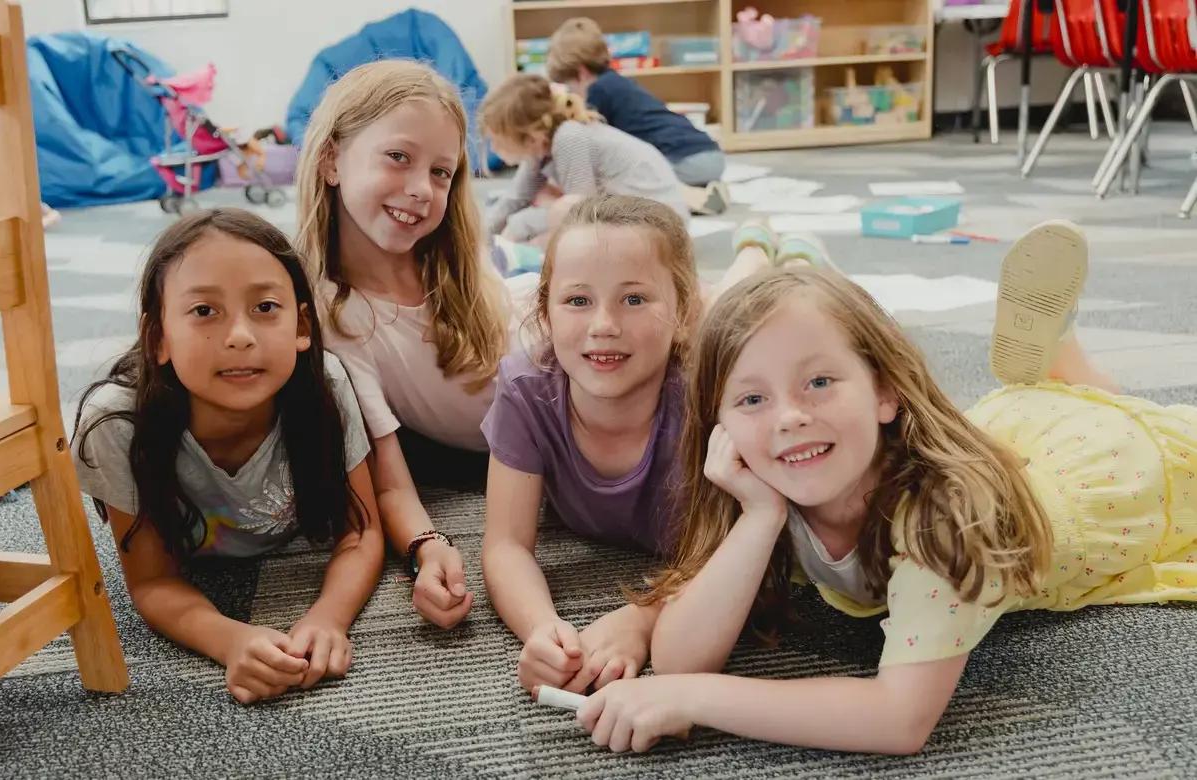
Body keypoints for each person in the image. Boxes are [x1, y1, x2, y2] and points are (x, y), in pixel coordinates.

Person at [572, 220, 1197, 754]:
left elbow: (900, 718)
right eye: (753, 398)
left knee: (1114, 418)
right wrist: (756, 521)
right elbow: (681, 653)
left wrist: (692, 699)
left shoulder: (946, 517)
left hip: (1115, 477)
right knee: (1029, 414)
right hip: (1014, 436)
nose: (788, 416)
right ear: (721, 429)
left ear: (885, 391)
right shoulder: (770, 480)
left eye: (818, 382)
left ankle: (1067, 368)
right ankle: (1056, 364)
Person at [72, 208, 382, 705]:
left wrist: (328, 618)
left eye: (265, 307)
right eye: (204, 312)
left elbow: (360, 532)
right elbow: (151, 582)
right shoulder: (116, 425)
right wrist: (230, 638)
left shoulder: (325, 383)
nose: (240, 334)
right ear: (158, 339)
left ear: (301, 325)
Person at [296, 59, 530, 631]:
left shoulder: (449, 258)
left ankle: (758, 251)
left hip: (564, 333)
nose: (422, 189)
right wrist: (427, 546)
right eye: (398, 157)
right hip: (558, 404)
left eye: (442, 172)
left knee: (704, 310)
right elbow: (388, 474)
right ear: (331, 160)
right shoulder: (336, 315)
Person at [481, 193, 700, 696]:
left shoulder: (710, 399)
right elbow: (507, 543)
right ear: (546, 312)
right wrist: (542, 629)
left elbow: (748, 555)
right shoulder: (524, 386)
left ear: (683, 311)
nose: (604, 326)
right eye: (578, 300)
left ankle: (766, 253)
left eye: (635, 298)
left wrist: (644, 620)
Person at [479, 73, 690, 250]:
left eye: (498, 141)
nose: (494, 149)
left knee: (537, 235)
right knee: (528, 225)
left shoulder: (569, 137)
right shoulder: (540, 148)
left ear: (530, 136)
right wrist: (476, 240)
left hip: (659, 225)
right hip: (628, 214)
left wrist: (518, 226)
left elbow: (579, 216)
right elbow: (515, 198)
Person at [546, 17, 729, 216]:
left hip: (690, 160)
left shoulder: (598, 91)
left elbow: (585, 146)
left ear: (580, 72)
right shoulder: (615, 81)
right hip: (707, 154)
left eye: (569, 84)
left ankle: (695, 197)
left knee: (629, 183)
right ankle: (702, 190)